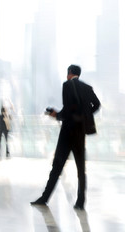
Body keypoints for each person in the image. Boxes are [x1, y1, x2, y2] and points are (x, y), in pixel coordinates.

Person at [31, 65, 100, 210]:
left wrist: (56, 115)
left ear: (69, 73)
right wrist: (84, 115)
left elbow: (68, 110)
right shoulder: (87, 88)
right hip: (80, 133)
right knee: (81, 168)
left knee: (57, 166)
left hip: (68, 132)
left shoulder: (67, 85)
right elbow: (97, 105)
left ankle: (45, 197)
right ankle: (81, 202)